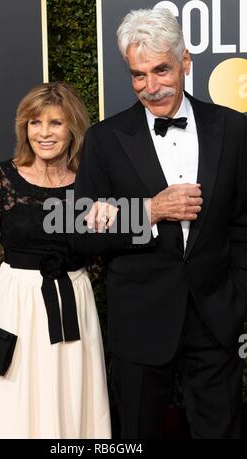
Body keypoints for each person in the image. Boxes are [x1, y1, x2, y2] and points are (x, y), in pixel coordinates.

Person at [73, 8, 247, 439]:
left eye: (161, 70)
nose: (150, 87)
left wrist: (238, 298)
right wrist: (149, 211)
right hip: (140, 324)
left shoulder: (234, 128)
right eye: (138, 75)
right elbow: (77, 230)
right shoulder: (105, 138)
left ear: (185, 61)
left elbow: (243, 224)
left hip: (215, 320)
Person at [0, 82, 111, 439]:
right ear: (24, 128)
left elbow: (101, 251)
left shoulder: (89, 182)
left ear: (72, 127)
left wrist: (79, 281)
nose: (44, 133)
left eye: (55, 123)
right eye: (34, 123)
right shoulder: (1, 177)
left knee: (71, 399)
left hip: (72, 301)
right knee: (12, 402)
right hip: (14, 303)